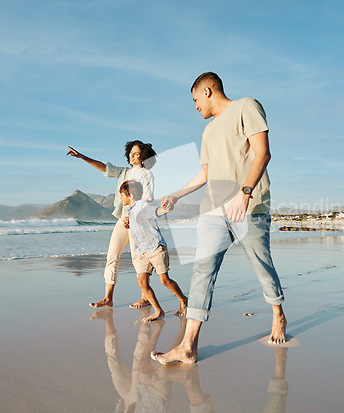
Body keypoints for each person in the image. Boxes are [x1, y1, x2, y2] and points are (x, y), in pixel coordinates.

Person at [151, 72, 287, 364]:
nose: (195, 105)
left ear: (208, 90)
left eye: (195, 99)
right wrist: (178, 194)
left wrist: (245, 192)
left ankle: (278, 314)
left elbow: (262, 153)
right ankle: (188, 346)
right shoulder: (208, 132)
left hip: (249, 205)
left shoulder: (246, 107)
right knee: (203, 271)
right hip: (213, 209)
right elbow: (207, 172)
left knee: (262, 265)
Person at [66, 140, 157, 308]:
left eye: (136, 153)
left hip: (139, 222)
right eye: (130, 152)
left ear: (144, 156)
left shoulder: (146, 175)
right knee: (112, 257)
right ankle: (108, 298)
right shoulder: (124, 173)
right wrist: (81, 156)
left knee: (138, 260)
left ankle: (145, 297)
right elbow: (103, 167)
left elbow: (147, 198)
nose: (132, 155)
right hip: (123, 220)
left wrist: (134, 215)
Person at [120, 180, 187, 322]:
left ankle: (184, 300)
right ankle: (158, 311)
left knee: (164, 280)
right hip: (141, 251)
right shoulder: (130, 210)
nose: (120, 198)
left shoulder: (142, 205)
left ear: (130, 195)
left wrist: (165, 209)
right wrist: (129, 223)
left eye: (121, 195)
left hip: (155, 248)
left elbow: (156, 212)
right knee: (142, 282)